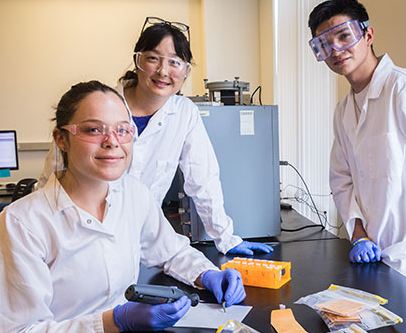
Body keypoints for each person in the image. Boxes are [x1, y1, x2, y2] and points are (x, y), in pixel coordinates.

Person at [0, 81, 246, 333]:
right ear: (61, 139)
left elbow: (171, 251)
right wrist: (114, 320)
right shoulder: (22, 222)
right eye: (93, 129)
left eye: (122, 130)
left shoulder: (134, 194)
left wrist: (207, 274)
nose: (112, 141)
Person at [39, 17, 272, 256]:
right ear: (137, 61)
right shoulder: (101, 104)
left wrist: (226, 238)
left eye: (175, 62)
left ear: (186, 72)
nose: (163, 71)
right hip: (78, 235)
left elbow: (203, 180)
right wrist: (40, 236)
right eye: (153, 58)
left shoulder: (184, 113)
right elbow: (53, 174)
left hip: (142, 239)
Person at [307, 0, 406, 291]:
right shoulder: (343, 110)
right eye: (324, 44)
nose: (336, 50)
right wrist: (358, 235)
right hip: (364, 252)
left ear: (367, 35)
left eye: (344, 36)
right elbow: (341, 180)